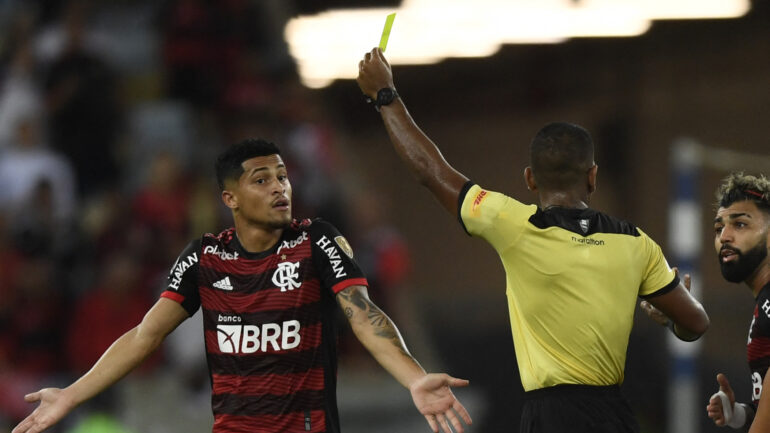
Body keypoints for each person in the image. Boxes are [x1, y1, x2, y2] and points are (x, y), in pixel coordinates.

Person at [356, 47, 710, 433]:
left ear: (530, 179)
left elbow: (431, 172)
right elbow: (696, 321)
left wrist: (385, 97)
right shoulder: (635, 242)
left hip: (551, 417)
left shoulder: (514, 222)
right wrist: (669, 320)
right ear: (592, 176)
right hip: (615, 417)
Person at [13, 138, 472, 433]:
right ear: (229, 198)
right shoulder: (204, 256)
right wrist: (72, 394)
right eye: (262, 179)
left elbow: (364, 316)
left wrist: (414, 378)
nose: (280, 188)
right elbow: (144, 336)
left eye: (282, 176)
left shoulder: (315, 241)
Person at [705, 172, 770, 432]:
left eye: (740, 224)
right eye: (719, 228)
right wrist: (740, 415)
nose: (725, 237)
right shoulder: (763, 305)